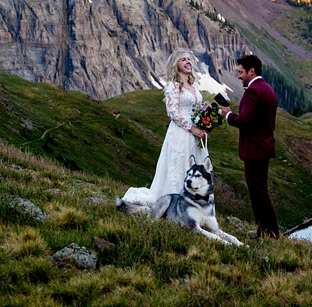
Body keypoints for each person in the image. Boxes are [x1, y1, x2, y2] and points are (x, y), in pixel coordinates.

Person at [120, 49, 209, 207]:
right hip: (181, 132)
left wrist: (204, 125)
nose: (188, 62)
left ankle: (194, 201)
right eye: (183, 60)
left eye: (189, 59)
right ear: (176, 65)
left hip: (195, 133)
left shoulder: (193, 85)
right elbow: (173, 112)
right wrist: (192, 128)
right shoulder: (173, 87)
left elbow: (199, 108)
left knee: (195, 166)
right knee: (179, 165)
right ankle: (175, 201)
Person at [219, 54, 280, 239]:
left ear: (251, 71)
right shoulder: (267, 89)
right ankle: (264, 230)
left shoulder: (253, 92)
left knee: (258, 192)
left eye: (240, 72)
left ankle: (270, 233)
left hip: (254, 149)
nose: (238, 76)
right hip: (263, 147)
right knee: (260, 190)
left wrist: (228, 115)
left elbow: (244, 121)